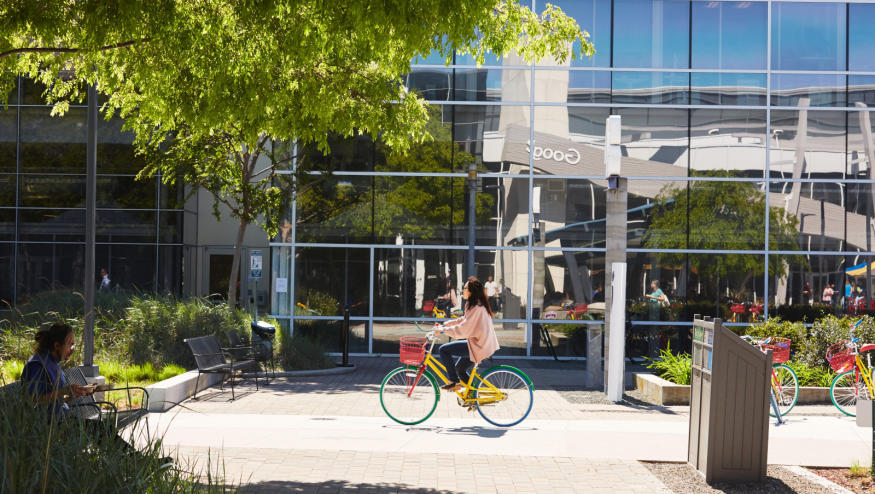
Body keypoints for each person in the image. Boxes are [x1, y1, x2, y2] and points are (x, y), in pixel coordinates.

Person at [20, 322, 172, 464]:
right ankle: (138, 463)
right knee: (100, 428)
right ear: (56, 345)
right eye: (70, 344)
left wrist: (77, 392)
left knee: (102, 428)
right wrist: (64, 391)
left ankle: (137, 462)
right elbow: (33, 400)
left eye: (74, 344)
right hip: (49, 425)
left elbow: (55, 398)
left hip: (63, 419)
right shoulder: (37, 365)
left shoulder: (53, 363)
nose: (73, 349)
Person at [435, 277, 500, 391]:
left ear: (471, 291)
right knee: (460, 370)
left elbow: (463, 329)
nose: (463, 290)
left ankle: (454, 382)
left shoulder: (477, 308)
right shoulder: (473, 305)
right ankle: (474, 396)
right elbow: (464, 320)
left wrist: (443, 330)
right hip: (478, 343)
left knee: (443, 350)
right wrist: (447, 324)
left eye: (465, 288)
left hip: (479, 346)